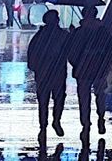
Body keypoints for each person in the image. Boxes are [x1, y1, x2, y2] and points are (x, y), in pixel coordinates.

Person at [70, 5, 112, 141]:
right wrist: (105, 66)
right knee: (100, 95)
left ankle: (85, 122)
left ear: (84, 16)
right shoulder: (103, 32)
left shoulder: (79, 33)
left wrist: (77, 65)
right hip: (99, 70)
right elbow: (111, 50)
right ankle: (101, 117)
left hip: (83, 72)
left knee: (84, 98)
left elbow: (71, 52)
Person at [27, 10, 72, 138]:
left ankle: (43, 125)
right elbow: (71, 52)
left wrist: (37, 68)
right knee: (59, 98)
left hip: (43, 75)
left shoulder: (39, 36)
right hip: (58, 74)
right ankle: (56, 121)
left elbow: (31, 57)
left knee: (43, 100)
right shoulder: (64, 35)